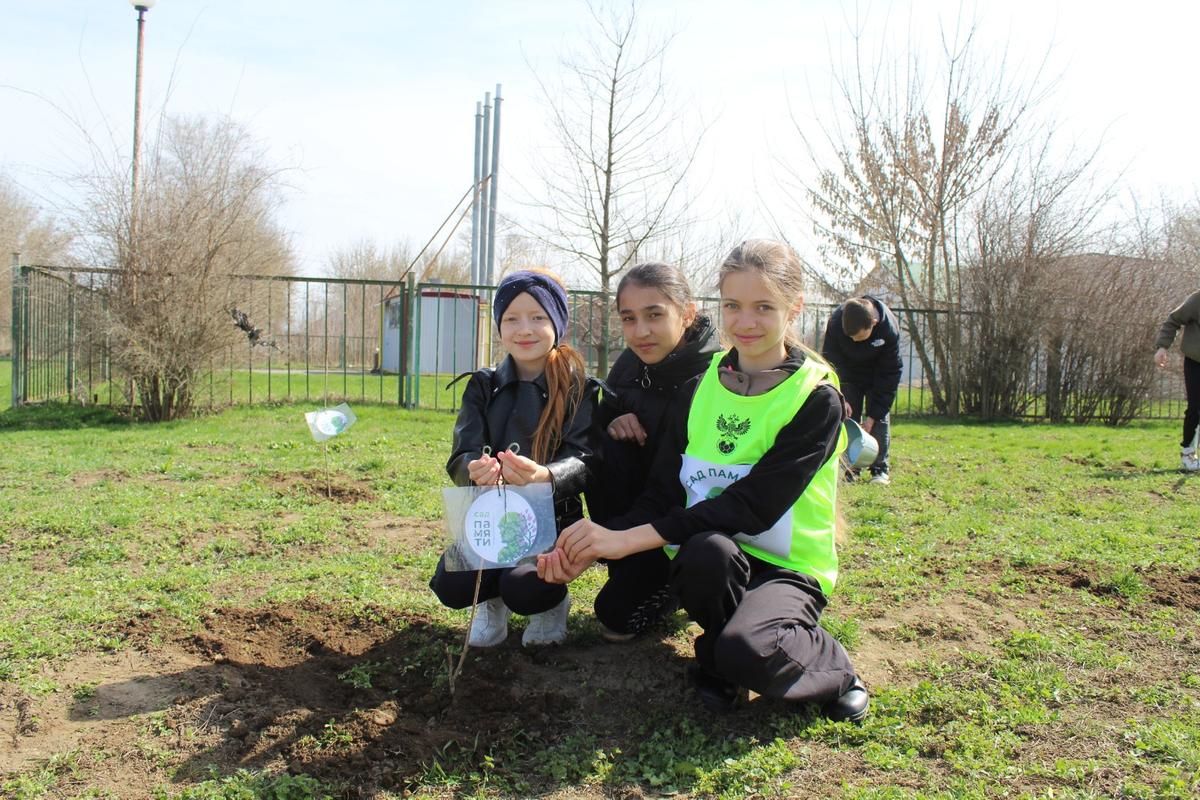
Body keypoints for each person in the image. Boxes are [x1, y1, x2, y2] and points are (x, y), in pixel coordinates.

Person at [537, 239, 869, 723]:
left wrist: (625, 540)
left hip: (788, 566)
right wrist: (590, 548)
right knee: (704, 552)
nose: (745, 322)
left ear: (793, 307)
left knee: (745, 648)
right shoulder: (703, 384)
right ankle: (721, 653)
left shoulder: (816, 398)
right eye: (733, 306)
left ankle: (835, 671)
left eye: (764, 307)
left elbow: (750, 506)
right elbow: (665, 492)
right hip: (719, 557)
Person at [430, 269, 598, 647]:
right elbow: (462, 451)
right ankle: (491, 603)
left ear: (557, 323)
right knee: (452, 586)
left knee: (524, 588)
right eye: (512, 318)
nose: (525, 329)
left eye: (538, 317)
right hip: (489, 514)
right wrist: (474, 470)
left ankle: (551, 605)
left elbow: (586, 459)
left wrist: (546, 476)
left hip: (553, 523)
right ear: (499, 326)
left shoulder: (578, 387)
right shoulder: (482, 385)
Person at [586, 262, 721, 642]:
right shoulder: (631, 361)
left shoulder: (715, 376)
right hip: (635, 518)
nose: (641, 331)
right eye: (629, 318)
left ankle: (678, 587)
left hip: (681, 525)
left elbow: (677, 483)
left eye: (655, 315)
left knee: (616, 617)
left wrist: (605, 541)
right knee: (603, 448)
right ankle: (627, 567)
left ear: (688, 313)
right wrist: (613, 419)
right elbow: (602, 420)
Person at [820, 295, 902, 485]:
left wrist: (874, 415)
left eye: (859, 337)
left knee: (880, 419)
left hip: (877, 376)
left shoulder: (888, 329)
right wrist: (839, 394)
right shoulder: (835, 323)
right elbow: (830, 363)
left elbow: (890, 373)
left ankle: (880, 470)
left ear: (873, 323)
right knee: (847, 418)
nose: (855, 342)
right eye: (851, 338)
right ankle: (849, 470)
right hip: (849, 377)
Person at [1154, 289, 1200, 472]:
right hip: (1196, 361)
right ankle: (1188, 453)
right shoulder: (1197, 300)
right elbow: (1173, 320)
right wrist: (1162, 347)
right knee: (1196, 407)